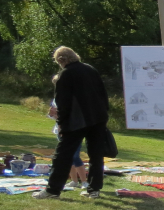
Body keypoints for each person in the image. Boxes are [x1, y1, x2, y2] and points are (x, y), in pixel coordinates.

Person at [33, 46, 110, 199]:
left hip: (77, 120)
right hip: (98, 118)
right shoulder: (91, 70)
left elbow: (63, 102)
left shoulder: (66, 74)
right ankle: (94, 189)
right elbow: (103, 94)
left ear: (62, 60)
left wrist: (61, 122)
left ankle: (52, 190)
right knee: (96, 155)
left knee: (63, 155)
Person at [48, 95, 88, 189]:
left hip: (75, 130)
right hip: (61, 130)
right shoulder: (57, 99)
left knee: (75, 156)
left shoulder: (76, 99)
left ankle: (84, 181)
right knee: (67, 156)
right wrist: (52, 114)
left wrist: (59, 116)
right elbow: (55, 116)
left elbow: (74, 116)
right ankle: (74, 181)